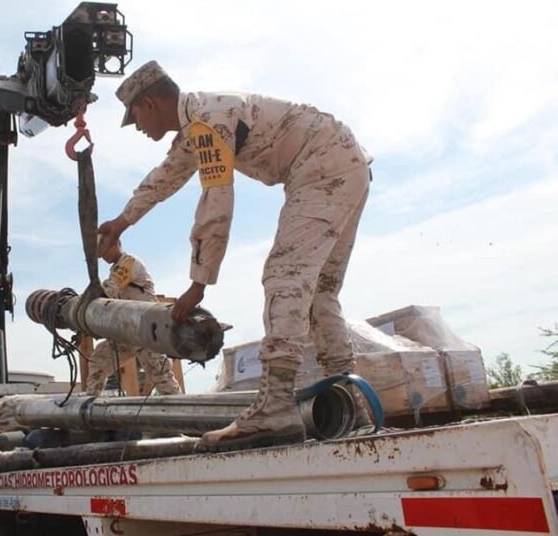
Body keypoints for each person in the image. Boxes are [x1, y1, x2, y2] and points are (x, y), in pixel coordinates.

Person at [97, 61, 372, 451]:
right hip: (346, 161)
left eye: (135, 116)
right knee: (320, 292)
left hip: (322, 165)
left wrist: (198, 284)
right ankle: (352, 404)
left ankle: (275, 405)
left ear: (150, 102)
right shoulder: (199, 123)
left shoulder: (206, 123)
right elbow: (166, 175)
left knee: (285, 274)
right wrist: (122, 222)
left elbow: (216, 202)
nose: (137, 126)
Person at [85, 238, 182, 396]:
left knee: (161, 377)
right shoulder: (116, 269)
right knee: (99, 360)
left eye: (103, 251)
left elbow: (108, 290)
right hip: (128, 331)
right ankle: (91, 407)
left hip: (148, 331)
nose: (102, 257)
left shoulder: (129, 263)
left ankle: (184, 413)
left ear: (116, 243)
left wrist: (83, 304)